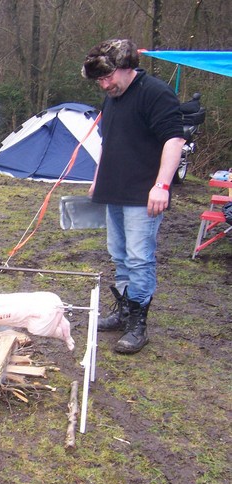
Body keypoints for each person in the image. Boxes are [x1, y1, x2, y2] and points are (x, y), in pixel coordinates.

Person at [82, 39, 185, 354]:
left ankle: (138, 323)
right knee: (119, 255)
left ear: (127, 67)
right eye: (99, 80)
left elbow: (174, 140)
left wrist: (162, 185)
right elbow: (108, 142)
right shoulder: (112, 98)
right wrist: (97, 180)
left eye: (107, 77)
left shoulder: (156, 93)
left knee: (140, 258)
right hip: (114, 189)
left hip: (144, 193)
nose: (104, 85)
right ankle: (125, 311)